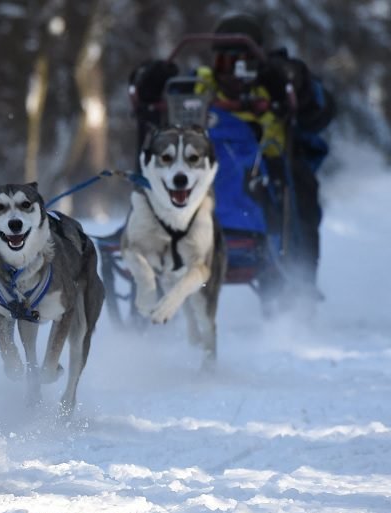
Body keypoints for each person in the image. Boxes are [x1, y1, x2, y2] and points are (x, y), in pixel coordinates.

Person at [129, 12, 336, 307]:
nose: (232, 75)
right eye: (224, 63)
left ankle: (298, 283)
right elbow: (150, 110)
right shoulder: (194, 89)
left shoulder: (276, 84)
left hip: (265, 186)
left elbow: (320, 111)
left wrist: (297, 82)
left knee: (300, 184)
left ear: (258, 61)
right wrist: (149, 83)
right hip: (196, 185)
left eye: (242, 65)